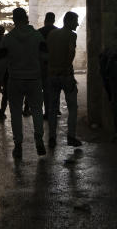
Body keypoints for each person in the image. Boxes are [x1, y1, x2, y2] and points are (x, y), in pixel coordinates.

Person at [0, 7, 47, 159]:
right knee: (37, 110)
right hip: (34, 78)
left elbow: (1, 62)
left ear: (13, 20)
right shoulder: (38, 36)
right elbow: (45, 58)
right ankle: (39, 139)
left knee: (16, 112)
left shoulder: (8, 38)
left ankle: (18, 144)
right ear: (26, 18)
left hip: (16, 79)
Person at [46, 11, 81, 148]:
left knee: (53, 108)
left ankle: (52, 138)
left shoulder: (52, 34)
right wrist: (66, 69)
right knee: (72, 107)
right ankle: (71, 137)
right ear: (69, 21)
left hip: (52, 75)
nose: (77, 24)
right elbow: (71, 53)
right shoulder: (72, 35)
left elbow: (48, 53)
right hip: (65, 75)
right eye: (76, 21)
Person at [38, 12, 57, 119]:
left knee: (45, 88)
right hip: (55, 61)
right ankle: (56, 109)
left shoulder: (39, 32)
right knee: (55, 88)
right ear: (53, 20)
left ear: (45, 20)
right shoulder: (58, 31)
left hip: (42, 63)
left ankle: (47, 111)